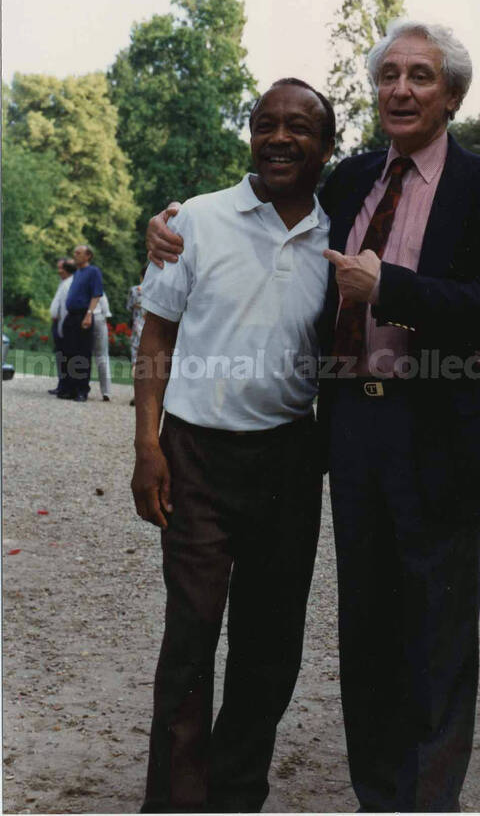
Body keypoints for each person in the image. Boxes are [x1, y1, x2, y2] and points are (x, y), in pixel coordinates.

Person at [147, 19, 480, 812]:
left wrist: (390, 288)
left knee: (434, 640)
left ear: (452, 94)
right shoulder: (350, 180)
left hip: (437, 439)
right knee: (363, 635)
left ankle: (422, 804)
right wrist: (167, 223)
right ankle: (374, 795)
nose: (400, 89)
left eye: (420, 76)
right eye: (388, 74)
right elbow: (266, 197)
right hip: (348, 437)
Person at [131, 78, 335, 813]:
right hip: (195, 456)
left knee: (270, 643)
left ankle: (235, 793)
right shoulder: (196, 219)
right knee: (190, 636)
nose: (278, 137)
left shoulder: (335, 233)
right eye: (264, 123)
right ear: (249, 134)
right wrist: (146, 446)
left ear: (326, 145)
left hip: (287, 458)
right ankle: (175, 802)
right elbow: (156, 334)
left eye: (298, 127)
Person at [60, 244, 103, 402]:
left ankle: (81, 390)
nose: (75, 255)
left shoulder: (93, 272)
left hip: (83, 315)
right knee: (69, 352)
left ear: (88, 256)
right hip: (71, 316)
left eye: (78, 253)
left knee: (82, 354)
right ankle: (70, 388)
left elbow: (96, 294)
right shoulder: (77, 273)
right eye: (75, 252)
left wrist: (89, 314)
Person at [48, 257, 76, 395]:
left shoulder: (71, 283)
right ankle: (61, 383)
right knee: (60, 355)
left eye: (61, 268)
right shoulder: (63, 282)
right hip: (57, 323)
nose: (59, 271)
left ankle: (65, 385)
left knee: (65, 355)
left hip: (63, 323)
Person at [126, 266, 147, 406]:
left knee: (136, 360)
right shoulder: (159, 290)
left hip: (138, 326)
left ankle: (137, 393)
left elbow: (129, 307)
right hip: (153, 327)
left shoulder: (135, 290)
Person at [92, 292, 112, 401]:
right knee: (102, 357)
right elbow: (105, 309)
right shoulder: (98, 287)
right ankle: (106, 391)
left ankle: (80, 389)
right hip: (99, 317)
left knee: (82, 355)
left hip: (87, 317)